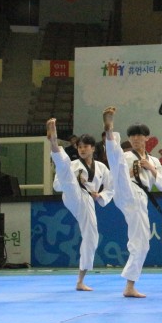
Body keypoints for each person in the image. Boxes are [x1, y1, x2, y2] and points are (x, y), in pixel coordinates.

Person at [103, 107, 162, 298]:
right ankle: (109, 130)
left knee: (141, 242)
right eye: (132, 136)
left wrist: (150, 168)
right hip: (125, 189)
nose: (136, 139)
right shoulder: (126, 156)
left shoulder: (154, 160)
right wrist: (130, 173)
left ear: (146, 138)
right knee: (117, 160)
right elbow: (113, 177)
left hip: (139, 197)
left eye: (139, 135)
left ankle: (130, 285)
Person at [47, 119, 113, 291]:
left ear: (93, 148)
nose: (82, 149)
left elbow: (111, 188)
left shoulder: (101, 167)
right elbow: (57, 185)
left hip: (87, 200)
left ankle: (80, 281)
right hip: (71, 194)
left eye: (85, 146)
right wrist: (76, 180)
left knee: (91, 236)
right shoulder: (73, 165)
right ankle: (54, 142)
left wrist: (100, 195)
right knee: (66, 170)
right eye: (80, 147)